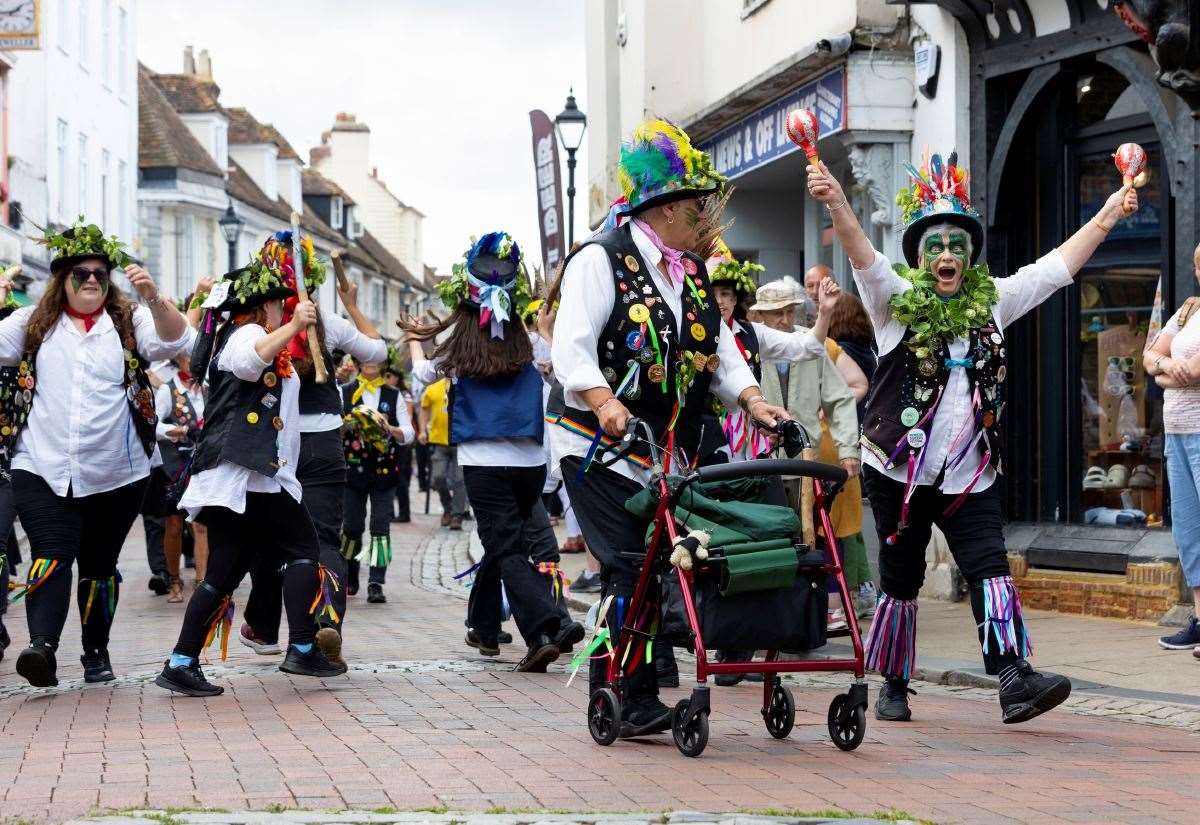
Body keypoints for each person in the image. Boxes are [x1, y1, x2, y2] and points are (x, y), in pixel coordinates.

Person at [805, 150, 1138, 723]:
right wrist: (836, 197)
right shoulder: (893, 306)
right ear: (919, 256)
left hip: (969, 471)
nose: (947, 254)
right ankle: (893, 682)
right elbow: (861, 252)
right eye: (935, 244)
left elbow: (1055, 270)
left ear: (969, 257)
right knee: (902, 579)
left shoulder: (994, 303)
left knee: (989, 567)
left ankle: (1013, 677)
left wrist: (1109, 212)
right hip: (898, 471)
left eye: (958, 244)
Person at [551, 120, 800, 736]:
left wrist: (753, 401)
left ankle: (633, 688)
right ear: (663, 211)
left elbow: (718, 353)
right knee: (629, 564)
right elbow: (571, 349)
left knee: (659, 563)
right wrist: (608, 405)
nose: (705, 216)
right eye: (695, 205)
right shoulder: (600, 259)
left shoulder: (688, 274)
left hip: (663, 448)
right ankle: (622, 695)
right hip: (595, 445)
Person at [0, 219, 194, 687]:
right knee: (51, 552)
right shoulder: (33, 324)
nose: (91, 281)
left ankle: (95, 654)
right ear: (60, 279)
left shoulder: (129, 321)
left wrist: (152, 295)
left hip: (118, 471)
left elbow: (178, 340)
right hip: (42, 464)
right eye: (80, 274)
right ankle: (42, 648)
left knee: (101, 566)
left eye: (100, 275)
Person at [157, 243, 347, 696]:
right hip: (246, 475)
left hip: (250, 476)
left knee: (224, 571)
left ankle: (181, 660)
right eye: (280, 305)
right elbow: (249, 360)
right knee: (304, 547)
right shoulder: (243, 335)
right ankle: (300, 647)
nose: (285, 311)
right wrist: (296, 325)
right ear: (262, 306)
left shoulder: (254, 338)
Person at [404, 231, 583, 672]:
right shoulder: (527, 342)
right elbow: (561, 366)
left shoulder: (459, 349)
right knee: (506, 542)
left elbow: (419, 377)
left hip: (483, 465)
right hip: (528, 464)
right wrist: (544, 331)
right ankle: (484, 625)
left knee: (506, 549)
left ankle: (549, 625)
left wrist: (412, 340)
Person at [238, 234, 386, 664]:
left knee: (269, 539)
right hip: (323, 442)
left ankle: (264, 626)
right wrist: (352, 304)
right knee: (322, 539)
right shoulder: (329, 323)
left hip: (272, 442)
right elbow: (377, 349)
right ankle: (326, 619)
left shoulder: (258, 328)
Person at [1146, 243, 1200, 652]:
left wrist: (1167, 370)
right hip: (1177, 431)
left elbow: (1196, 370)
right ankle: (1199, 619)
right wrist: (1166, 369)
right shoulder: (1188, 310)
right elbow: (1149, 356)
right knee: (1187, 531)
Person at [825, 287, 880, 616]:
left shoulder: (840, 351)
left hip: (844, 439)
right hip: (865, 435)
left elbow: (856, 387)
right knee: (851, 522)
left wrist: (830, 409)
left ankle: (856, 590)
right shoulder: (867, 349)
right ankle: (862, 588)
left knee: (842, 523)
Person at [341, 358, 414, 602]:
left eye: (376, 359)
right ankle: (349, 573)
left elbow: (409, 433)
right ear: (358, 362)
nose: (370, 363)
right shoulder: (346, 391)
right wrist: (348, 424)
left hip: (385, 471)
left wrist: (389, 428)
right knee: (351, 527)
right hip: (353, 471)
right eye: (365, 358)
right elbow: (332, 427)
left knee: (380, 528)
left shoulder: (394, 395)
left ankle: (376, 582)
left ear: (383, 364)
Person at [154, 349, 208, 602]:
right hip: (174, 465)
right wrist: (175, 429)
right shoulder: (168, 390)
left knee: (200, 524)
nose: (197, 360)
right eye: (190, 356)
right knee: (174, 525)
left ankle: (202, 584)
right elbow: (152, 423)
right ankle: (174, 579)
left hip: (202, 464)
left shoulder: (207, 388)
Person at [419, 376, 468, 529]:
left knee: (460, 480)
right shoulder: (432, 388)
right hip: (439, 441)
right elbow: (424, 410)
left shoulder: (465, 385)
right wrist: (422, 431)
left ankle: (457, 515)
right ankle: (448, 508)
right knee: (438, 477)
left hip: (461, 442)